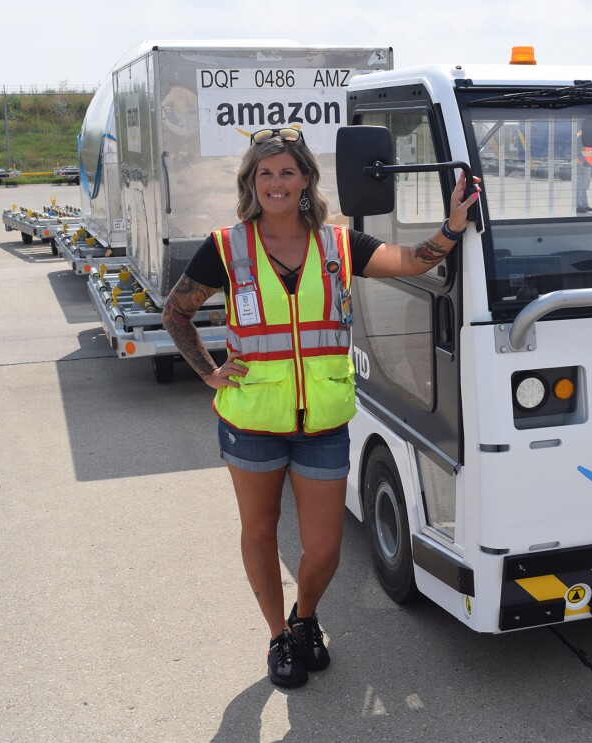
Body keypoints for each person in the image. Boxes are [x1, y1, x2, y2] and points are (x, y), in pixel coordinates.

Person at [161, 127, 480, 689]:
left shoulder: (337, 244)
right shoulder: (226, 247)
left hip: (324, 425)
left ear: (306, 179)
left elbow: (410, 260)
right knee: (259, 533)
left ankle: (304, 617)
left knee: (325, 548)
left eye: (287, 172)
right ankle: (277, 639)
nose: (276, 183)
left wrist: (453, 226)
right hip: (251, 421)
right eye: (265, 173)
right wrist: (209, 372)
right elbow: (175, 313)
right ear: (250, 182)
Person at [576, 129, 592, 214]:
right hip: (582, 165)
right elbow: (577, 152)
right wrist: (585, 161)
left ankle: (584, 205)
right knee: (580, 186)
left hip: (586, 164)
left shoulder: (585, 137)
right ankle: (578, 206)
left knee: (584, 186)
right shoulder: (581, 137)